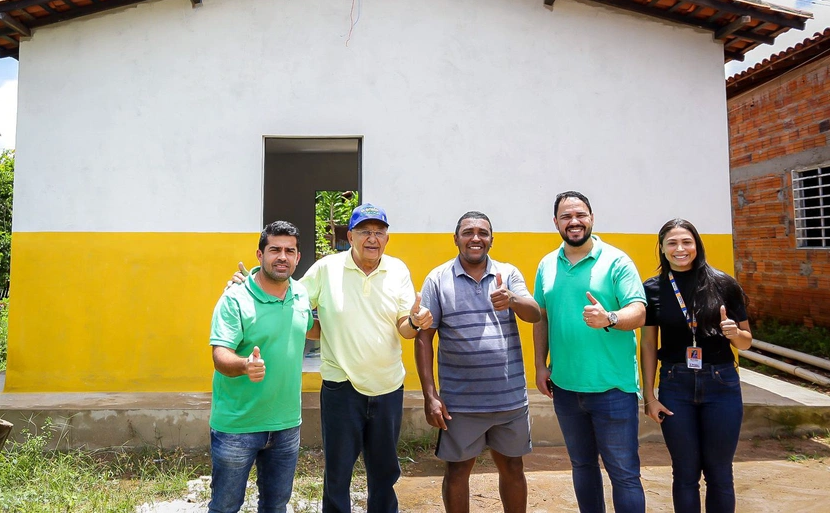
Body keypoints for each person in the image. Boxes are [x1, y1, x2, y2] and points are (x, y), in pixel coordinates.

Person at [228, 203, 432, 513]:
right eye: (365, 231)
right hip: (341, 387)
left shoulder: (398, 270)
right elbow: (291, 303)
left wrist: (416, 322)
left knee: (385, 473)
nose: (372, 238)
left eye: (379, 232)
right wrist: (250, 286)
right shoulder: (327, 269)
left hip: (388, 386)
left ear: (387, 238)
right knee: (337, 474)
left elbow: (404, 328)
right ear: (350, 235)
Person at [415, 211, 541, 513]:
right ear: (456, 239)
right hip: (460, 403)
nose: (476, 238)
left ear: (491, 240)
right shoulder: (438, 278)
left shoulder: (507, 274)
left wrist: (511, 299)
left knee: (513, 466)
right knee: (457, 471)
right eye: (468, 232)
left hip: (508, 399)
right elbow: (423, 338)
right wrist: (430, 396)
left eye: (482, 233)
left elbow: (534, 313)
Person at [532, 191, 647, 513]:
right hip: (566, 388)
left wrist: (609, 318)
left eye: (580, 214)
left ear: (592, 218)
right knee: (582, 467)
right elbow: (542, 316)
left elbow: (638, 311)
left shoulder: (616, 260)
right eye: (566, 216)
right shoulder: (547, 264)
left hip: (612, 387)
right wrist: (541, 366)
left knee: (623, 474)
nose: (574, 222)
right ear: (555, 222)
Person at [640, 218, 752, 513]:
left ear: (697, 245)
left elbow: (746, 342)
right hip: (675, 385)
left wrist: (734, 334)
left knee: (719, 473)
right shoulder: (652, 289)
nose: (680, 249)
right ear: (662, 249)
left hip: (721, 384)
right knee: (685, 473)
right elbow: (649, 344)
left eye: (686, 242)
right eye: (672, 243)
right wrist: (649, 396)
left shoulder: (723, 283)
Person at [208, 221, 316, 513]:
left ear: (298, 257)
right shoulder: (235, 298)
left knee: (276, 506)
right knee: (225, 506)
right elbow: (220, 355)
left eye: (289, 251)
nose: (282, 256)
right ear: (260, 255)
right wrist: (244, 365)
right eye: (275, 250)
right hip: (238, 426)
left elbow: (310, 328)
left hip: (286, 424)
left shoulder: (301, 295)